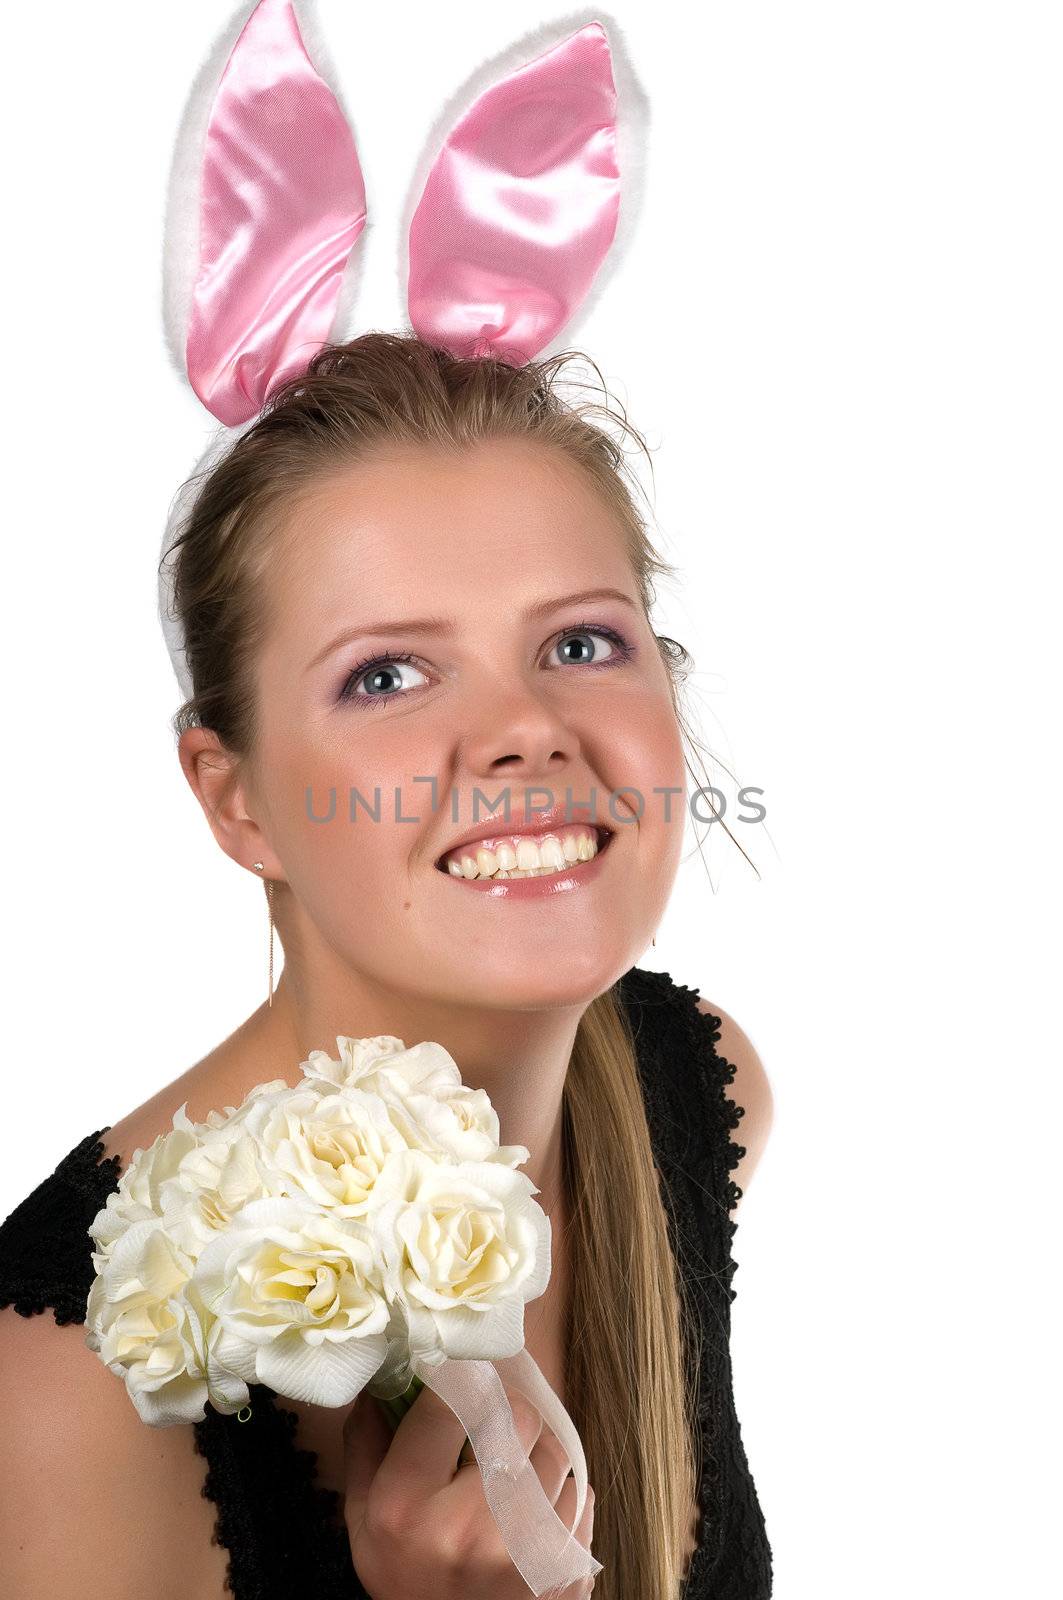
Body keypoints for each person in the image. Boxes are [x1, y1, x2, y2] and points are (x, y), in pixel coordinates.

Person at [0, 10, 773, 1598]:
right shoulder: (68, 1389)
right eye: (387, 676)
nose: (525, 733)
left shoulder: (700, 1096)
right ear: (238, 803)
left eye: (579, 641)